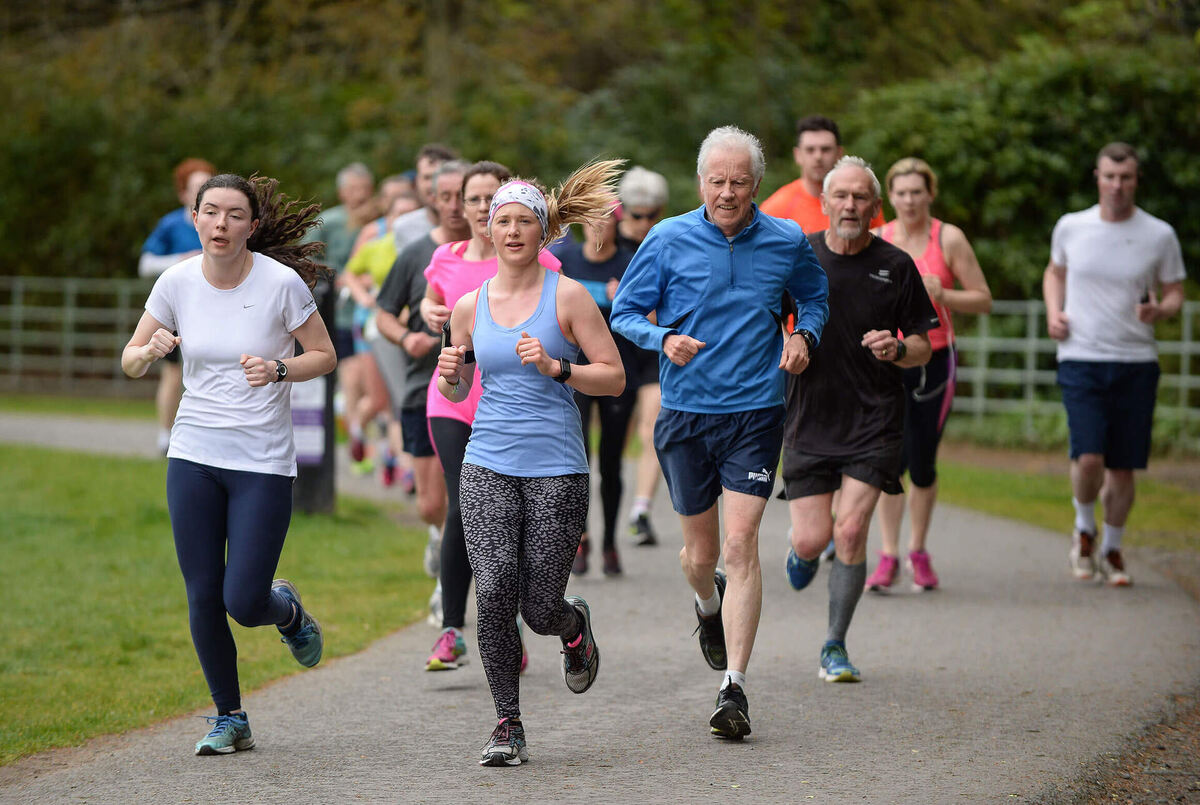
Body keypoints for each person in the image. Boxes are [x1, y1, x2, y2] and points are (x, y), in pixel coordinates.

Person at [611, 126, 828, 741]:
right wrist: (663, 340)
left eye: (739, 182)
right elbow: (625, 313)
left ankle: (732, 688)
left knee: (740, 547)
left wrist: (803, 336)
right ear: (700, 181)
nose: (727, 193)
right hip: (685, 415)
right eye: (717, 181)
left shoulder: (786, 239)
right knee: (701, 557)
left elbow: (814, 298)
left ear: (756, 184)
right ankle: (708, 606)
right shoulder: (667, 237)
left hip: (756, 413)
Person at [121, 173, 337, 755]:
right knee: (202, 593)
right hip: (192, 454)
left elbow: (324, 354)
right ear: (194, 218)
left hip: (263, 460)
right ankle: (230, 716)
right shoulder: (176, 282)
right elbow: (130, 361)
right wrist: (148, 351)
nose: (221, 224)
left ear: (252, 225)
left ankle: (286, 610)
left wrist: (280, 369)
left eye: (234, 214)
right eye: (210, 212)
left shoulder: (281, 283)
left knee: (243, 601)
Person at [437, 162, 625, 766]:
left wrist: (558, 368)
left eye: (525, 222)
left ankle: (572, 628)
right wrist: (453, 372)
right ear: (489, 231)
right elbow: (462, 382)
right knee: (492, 593)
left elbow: (614, 378)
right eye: (503, 221)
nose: (513, 231)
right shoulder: (468, 305)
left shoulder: (567, 296)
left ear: (543, 234)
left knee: (538, 606)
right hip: (487, 460)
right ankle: (507, 724)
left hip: (557, 466)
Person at [780, 156, 938, 685]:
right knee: (811, 539)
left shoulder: (895, 265)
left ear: (876, 207)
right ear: (824, 203)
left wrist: (897, 347)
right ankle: (801, 555)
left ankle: (834, 646)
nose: (849, 205)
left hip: (874, 420)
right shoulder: (797, 259)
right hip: (808, 417)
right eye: (840, 196)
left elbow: (923, 344)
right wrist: (787, 341)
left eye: (860, 198)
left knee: (849, 532)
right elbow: (763, 321)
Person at [418, 161, 561, 671]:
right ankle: (452, 628)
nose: (479, 208)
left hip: (514, 406)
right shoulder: (445, 256)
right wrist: (429, 315)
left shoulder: (544, 266)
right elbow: (432, 306)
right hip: (453, 398)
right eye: (471, 199)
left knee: (510, 522)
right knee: (464, 503)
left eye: (488, 200)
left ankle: (505, 616)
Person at [1043, 142, 1186, 587]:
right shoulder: (1072, 226)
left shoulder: (1158, 234)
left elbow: (1176, 291)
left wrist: (1160, 311)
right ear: (1097, 177)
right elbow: (1054, 272)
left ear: (1136, 180)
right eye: (1109, 176)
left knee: (1123, 467)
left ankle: (1113, 547)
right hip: (1081, 356)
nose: (1117, 185)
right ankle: (1085, 528)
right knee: (1089, 458)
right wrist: (1054, 311)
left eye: (1125, 177)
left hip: (1135, 360)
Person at [867, 158, 993, 592]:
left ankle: (918, 551)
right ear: (890, 197)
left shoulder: (949, 238)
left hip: (936, 363)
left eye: (916, 192)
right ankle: (888, 555)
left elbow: (984, 299)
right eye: (900, 193)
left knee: (921, 461)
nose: (908, 200)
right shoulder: (877, 239)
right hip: (887, 361)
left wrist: (946, 294)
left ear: (929, 194)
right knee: (888, 462)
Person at [375, 158, 474, 633]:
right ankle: (440, 541)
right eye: (446, 196)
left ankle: (456, 597)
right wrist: (405, 337)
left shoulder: (507, 255)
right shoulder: (418, 254)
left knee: (464, 501)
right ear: (431, 198)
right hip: (423, 386)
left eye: (465, 195)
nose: (455, 205)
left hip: (475, 396)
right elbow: (383, 313)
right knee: (432, 505)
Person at [551, 211, 636, 576]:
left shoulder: (629, 262)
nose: (598, 226)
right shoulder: (564, 260)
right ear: (580, 225)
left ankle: (610, 543)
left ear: (618, 223)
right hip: (574, 372)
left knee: (612, 461)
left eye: (606, 219)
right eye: (591, 220)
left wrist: (626, 300)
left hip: (616, 370)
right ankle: (580, 538)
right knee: (578, 459)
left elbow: (653, 315)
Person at [139, 158, 215, 454]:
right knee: (172, 374)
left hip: (215, 309)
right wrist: (181, 259)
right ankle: (165, 435)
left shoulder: (225, 222)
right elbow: (145, 263)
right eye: (196, 188)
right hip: (178, 310)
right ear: (183, 193)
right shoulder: (171, 224)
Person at [614, 166, 671, 548]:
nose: (644, 222)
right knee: (613, 439)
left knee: (652, 426)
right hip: (614, 349)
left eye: (652, 215)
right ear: (622, 212)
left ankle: (641, 509)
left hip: (653, 347)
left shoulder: (665, 242)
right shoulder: (605, 246)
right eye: (637, 215)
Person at [760, 115, 884, 234]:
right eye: (810, 150)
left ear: (839, 153)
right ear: (797, 155)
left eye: (825, 149)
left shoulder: (860, 201)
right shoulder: (776, 208)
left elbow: (881, 243)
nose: (818, 157)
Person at [392, 144, 460, 252]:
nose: (433, 185)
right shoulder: (403, 227)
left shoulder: (472, 225)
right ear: (417, 182)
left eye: (439, 176)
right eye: (427, 177)